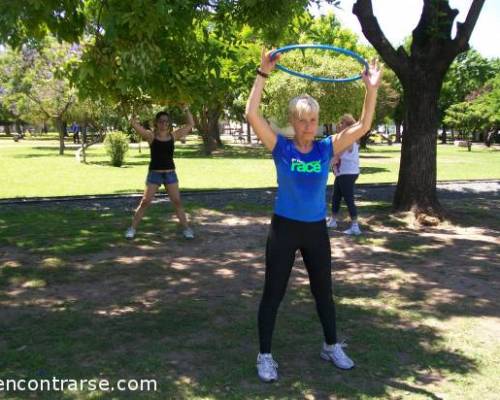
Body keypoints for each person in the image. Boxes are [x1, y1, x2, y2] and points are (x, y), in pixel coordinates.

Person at [245, 48, 382, 382]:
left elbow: (364, 125)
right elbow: (252, 114)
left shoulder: (326, 147)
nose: (309, 125)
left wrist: (372, 88)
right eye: (303, 120)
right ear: (294, 121)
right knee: (273, 292)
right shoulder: (282, 146)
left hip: (315, 231)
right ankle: (265, 355)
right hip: (285, 229)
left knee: (324, 291)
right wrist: (263, 73)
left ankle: (331, 345)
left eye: (313, 120)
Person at [125, 109, 195, 240]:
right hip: (154, 175)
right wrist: (133, 112)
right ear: (156, 123)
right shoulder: (151, 137)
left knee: (177, 202)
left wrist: (185, 109)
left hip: (170, 174)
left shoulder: (173, 136)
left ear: (169, 123)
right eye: (161, 121)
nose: (164, 123)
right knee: (145, 202)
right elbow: (134, 124)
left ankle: (187, 229)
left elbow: (190, 124)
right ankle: (132, 228)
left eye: (166, 121)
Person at [327, 114, 362, 235]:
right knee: (336, 196)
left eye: (342, 123)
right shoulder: (349, 138)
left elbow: (336, 157)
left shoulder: (349, 139)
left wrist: (322, 165)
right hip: (344, 173)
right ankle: (333, 220)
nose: (339, 124)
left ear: (348, 126)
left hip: (348, 173)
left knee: (348, 199)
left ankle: (355, 226)